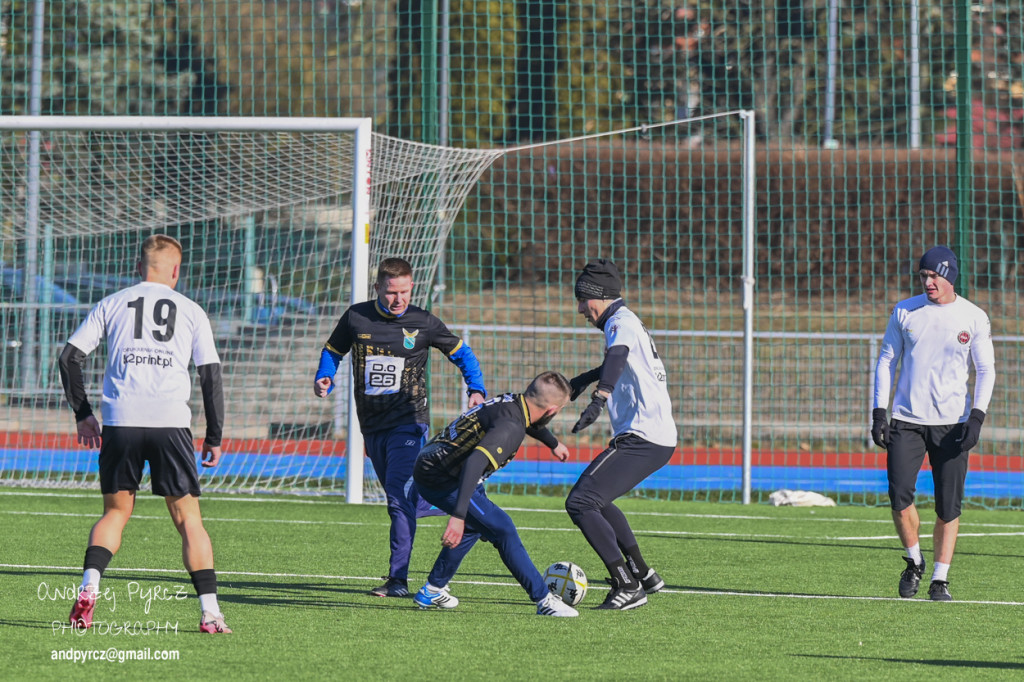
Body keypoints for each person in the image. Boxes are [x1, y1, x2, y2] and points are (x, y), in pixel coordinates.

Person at [58, 234, 231, 634]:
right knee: (188, 519)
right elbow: (211, 376)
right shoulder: (191, 310)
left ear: (139, 268)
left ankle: (89, 587)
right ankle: (210, 613)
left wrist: (83, 414)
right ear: (176, 271)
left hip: (122, 419)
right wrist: (215, 435)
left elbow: (69, 357)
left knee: (116, 513)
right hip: (171, 422)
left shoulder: (112, 302)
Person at [314, 257, 487, 598]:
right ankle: (467, 499)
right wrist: (325, 375)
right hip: (372, 426)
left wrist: (476, 388)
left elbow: (462, 354)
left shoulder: (423, 322)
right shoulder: (356, 317)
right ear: (378, 288)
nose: (399, 300)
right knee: (407, 501)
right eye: (392, 292)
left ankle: (397, 580)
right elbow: (333, 350)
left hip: (409, 423)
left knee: (396, 499)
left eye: (405, 292)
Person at [872, 245, 995, 602]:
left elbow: (985, 370)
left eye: (935, 275)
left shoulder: (973, 317)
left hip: (953, 423)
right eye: (924, 275)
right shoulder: (905, 311)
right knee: (898, 497)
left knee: (948, 505)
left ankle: (940, 579)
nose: (929, 282)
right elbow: (886, 361)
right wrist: (880, 412)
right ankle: (914, 560)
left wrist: (977, 416)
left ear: (950, 277)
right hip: (906, 421)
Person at [411, 371, 578, 616]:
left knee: (476, 525)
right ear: (552, 410)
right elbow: (475, 462)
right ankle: (544, 600)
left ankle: (433, 589)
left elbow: (529, 422)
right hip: (442, 479)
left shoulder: (513, 403)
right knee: (503, 529)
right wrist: (458, 516)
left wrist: (552, 443)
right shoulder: (511, 427)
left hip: (438, 465)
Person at [565, 258, 678, 610]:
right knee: (599, 501)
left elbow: (616, 359)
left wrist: (599, 399)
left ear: (599, 295)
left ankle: (625, 584)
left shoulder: (619, 322)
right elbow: (619, 362)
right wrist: (583, 381)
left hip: (643, 437)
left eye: (583, 299)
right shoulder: (627, 322)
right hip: (654, 438)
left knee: (581, 503)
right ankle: (643, 574)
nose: (581, 308)